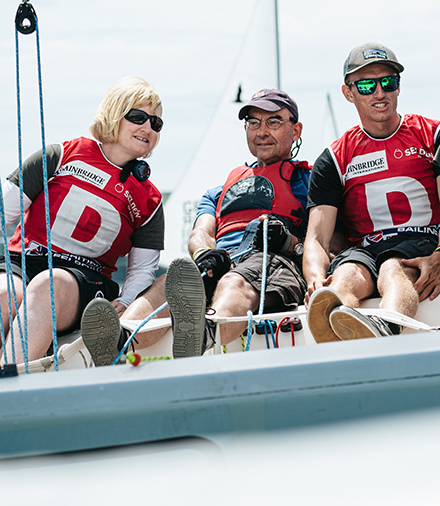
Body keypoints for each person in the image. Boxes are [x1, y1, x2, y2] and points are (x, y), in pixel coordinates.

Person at [80, 88, 311, 363]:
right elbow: (201, 232)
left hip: (271, 264)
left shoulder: (310, 183)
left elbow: (329, 244)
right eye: (253, 123)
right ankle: (118, 342)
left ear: (295, 130)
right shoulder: (218, 191)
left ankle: (204, 335)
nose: (261, 131)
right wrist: (204, 254)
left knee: (234, 281)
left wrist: (290, 244)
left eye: (273, 122)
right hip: (223, 262)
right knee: (169, 282)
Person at [0, 76, 164, 365]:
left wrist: (126, 303)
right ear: (114, 114)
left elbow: (142, 270)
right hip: (23, 261)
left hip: (83, 279)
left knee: (48, 285)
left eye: (156, 123)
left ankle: (9, 382)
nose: (148, 127)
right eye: (138, 117)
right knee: (3, 294)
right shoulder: (60, 156)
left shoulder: (149, 199)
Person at [304, 42, 440, 342]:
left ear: (398, 87)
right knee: (345, 276)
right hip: (365, 250)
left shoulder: (432, 134)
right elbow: (316, 237)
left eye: (388, 82)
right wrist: (315, 280)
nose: (380, 93)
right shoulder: (334, 157)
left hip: (419, 242)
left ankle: (382, 331)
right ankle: (330, 323)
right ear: (348, 93)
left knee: (393, 269)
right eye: (366, 85)